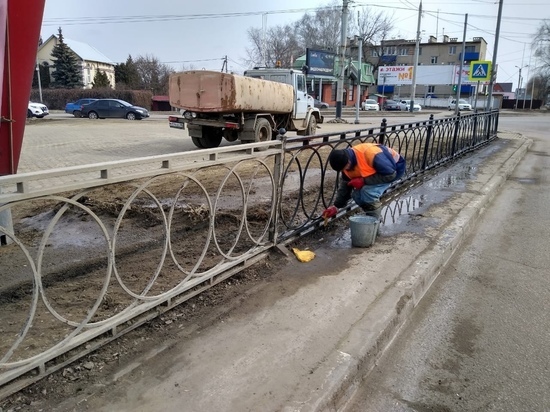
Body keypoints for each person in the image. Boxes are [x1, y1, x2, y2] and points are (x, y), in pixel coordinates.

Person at [322, 142, 406, 220]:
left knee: (368, 192)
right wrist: (336, 206)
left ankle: (374, 222)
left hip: (395, 168)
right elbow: (345, 185)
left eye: (345, 168)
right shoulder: (344, 164)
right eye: (342, 170)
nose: (345, 171)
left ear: (348, 161)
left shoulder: (371, 154)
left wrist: (363, 181)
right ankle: (370, 216)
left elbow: (390, 175)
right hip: (377, 171)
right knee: (357, 195)